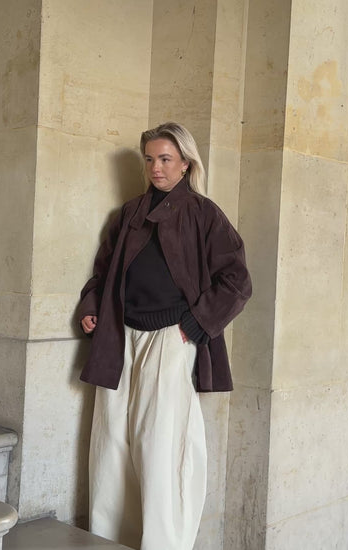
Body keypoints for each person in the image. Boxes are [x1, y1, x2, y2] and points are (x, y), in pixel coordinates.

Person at [78, 122, 251, 550]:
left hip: (172, 338)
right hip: (121, 337)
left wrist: (193, 326)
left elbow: (237, 282)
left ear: (186, 163)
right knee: (111, 442)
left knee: (161, 446)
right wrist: (91, 308)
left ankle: (163, 543)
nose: (156, 167)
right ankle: (110, 540)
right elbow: (102, 273)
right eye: (150, 159)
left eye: (166, 159)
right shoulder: (129, 213)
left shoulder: (205, 214)